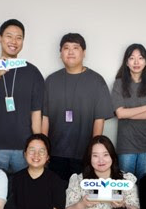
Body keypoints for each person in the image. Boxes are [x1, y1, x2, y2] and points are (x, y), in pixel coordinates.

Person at [0, 19, 44, 174]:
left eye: (19, 37)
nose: (14, 41)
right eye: (9, 36)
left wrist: (38, 145)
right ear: (0, 38)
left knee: (23, 187)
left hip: (25, 147)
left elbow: (36, 113)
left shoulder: (32, 72)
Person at [42, 33, 114, 181]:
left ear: (84, 52)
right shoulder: (51, 80)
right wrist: (44, 149)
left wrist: (93, 152)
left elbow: (99, 120)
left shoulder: (96, 81)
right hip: (55, 153)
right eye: (66, 48)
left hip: (83, 154)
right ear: (60, 53)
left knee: (82, 192)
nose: (70, 52)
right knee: (57, 191)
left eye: (75, 48)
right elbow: (45, 118)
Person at [112, 43, 146, 180]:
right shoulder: (119, 83)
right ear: (126, 62)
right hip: (126, 143)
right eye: (132, 58)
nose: (136, 62)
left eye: (140, 58)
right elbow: (120, 114)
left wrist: (127, 113)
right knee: (125, 184)